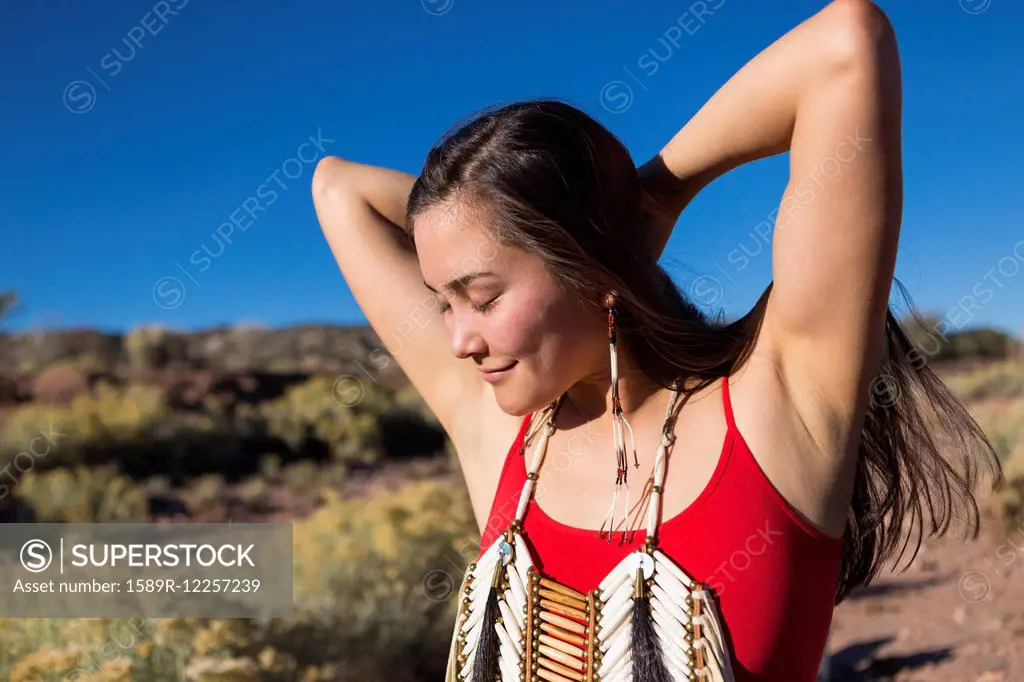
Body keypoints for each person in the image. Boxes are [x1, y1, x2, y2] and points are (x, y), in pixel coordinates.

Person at [311, 1, 1001, 680]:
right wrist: (507, 220)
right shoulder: (504, 434)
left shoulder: (782, 409)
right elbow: (336, 187)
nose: (457, 340)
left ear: (593, 268)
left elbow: (847, 44)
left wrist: (652, 197)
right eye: (442, 303)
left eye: (484, 298)